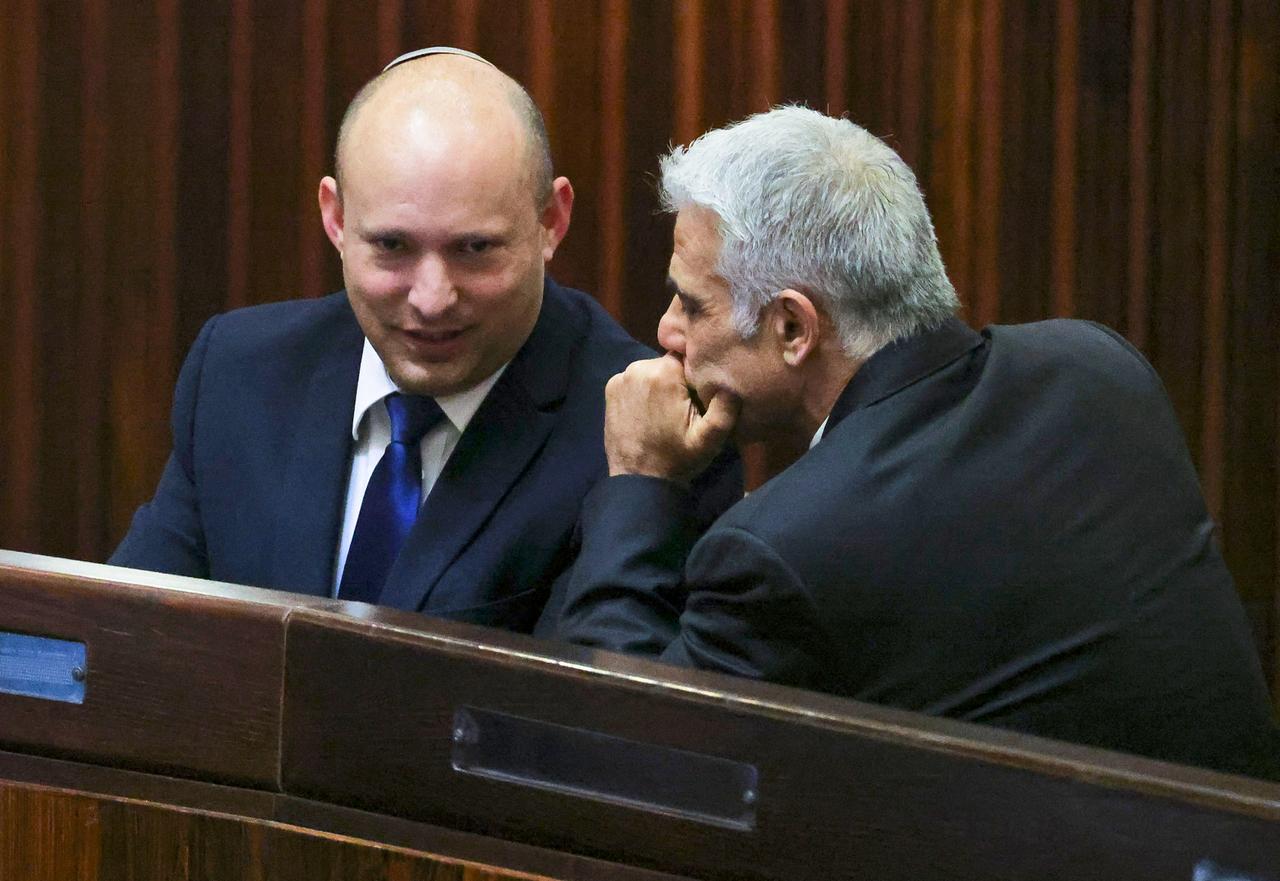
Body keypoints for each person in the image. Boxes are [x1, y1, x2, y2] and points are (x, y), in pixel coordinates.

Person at [556, 105, 1280, 779]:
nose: (666, 333)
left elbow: (626, 761)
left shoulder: (786, 548)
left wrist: (641, 483)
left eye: (691, 303)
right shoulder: (1097, 370)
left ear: (792, 328)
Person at [109, 48, 740, 633]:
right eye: (391, 247)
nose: (432, 298)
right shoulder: (241, 370)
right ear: (336, 218)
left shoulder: (652, 439)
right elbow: (126, 641)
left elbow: (603, 722)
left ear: (551, 221)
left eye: (474, 249)